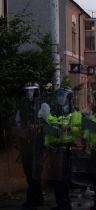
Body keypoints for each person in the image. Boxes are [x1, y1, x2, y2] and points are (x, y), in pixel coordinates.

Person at [43, 87, 82, 210]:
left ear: (68, 98)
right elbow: (48, 122)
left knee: (63, 179)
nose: (61, 99)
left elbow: (77, 130)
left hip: (64, 149)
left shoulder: (74, 113)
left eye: (63, 96)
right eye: (59, 97)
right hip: (53, 149)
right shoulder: (54, 112)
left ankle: (65, 205)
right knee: (55, 179)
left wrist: (68, 127)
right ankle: (60, 204)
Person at [14, 82, 49, 210]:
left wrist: (38, 128)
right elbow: (17, 123)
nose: (29, 93)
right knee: (28, 173)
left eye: (32, 91)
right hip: (25, 145)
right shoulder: (22, 106)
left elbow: (49, 122)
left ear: (36, 92)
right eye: (27, 91)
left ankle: (32, 201)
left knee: (35, 173)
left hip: (37, 144)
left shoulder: (42, 105)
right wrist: (21, 130)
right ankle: (38, 198)